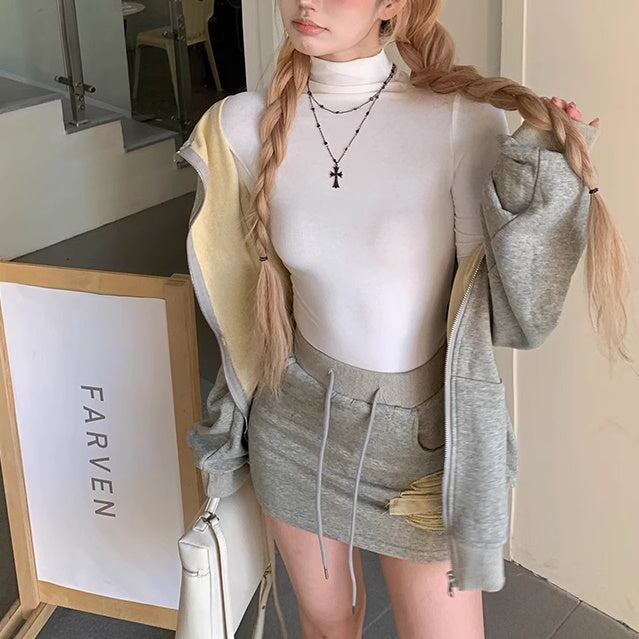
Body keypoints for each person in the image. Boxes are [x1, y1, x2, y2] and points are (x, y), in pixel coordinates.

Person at [177, 1, 632, 637]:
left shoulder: (459, 119)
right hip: (294, 424)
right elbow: (236, 287)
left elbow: (513, 318)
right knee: (326, 624)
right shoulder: (239, 125)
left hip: (418, 446)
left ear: (391, 4)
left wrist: (543, 186)